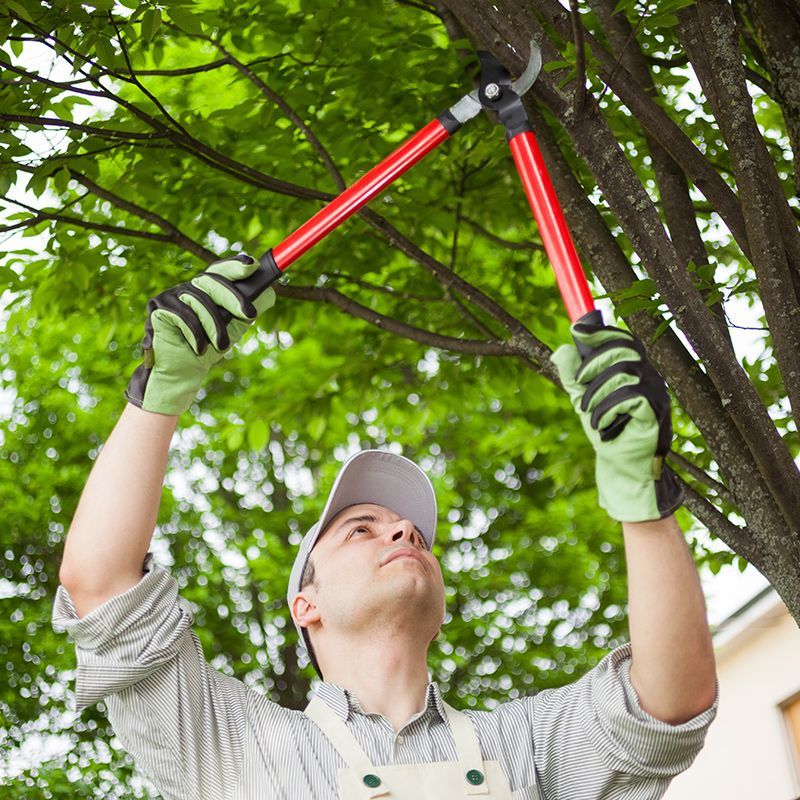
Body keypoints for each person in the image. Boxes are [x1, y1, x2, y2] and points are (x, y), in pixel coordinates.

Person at [52, 254, 719, 800]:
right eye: (361, 529)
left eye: (415, 535)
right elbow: (102, 586)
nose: (403, 533)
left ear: (442, 610)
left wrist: (643, 497)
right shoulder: (235, 746)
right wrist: (159, 392)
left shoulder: (527, 746)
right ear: (303, 604)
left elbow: (670, 703)